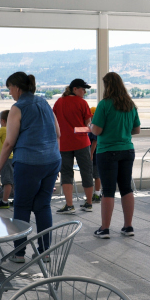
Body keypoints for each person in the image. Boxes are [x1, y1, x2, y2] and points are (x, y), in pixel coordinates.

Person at [0, 72, 60, 263]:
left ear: (17, 87)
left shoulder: (18, 107)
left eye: (10, 89)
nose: (10, 93)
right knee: (43, 205)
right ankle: (44, 251)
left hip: (29, 162)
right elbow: (58, 133)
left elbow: (8, 143)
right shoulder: (44, 103)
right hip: (52, 161)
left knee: (21, 206)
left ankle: (19, 253)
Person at [90, 72, 141, 239]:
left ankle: (105, 229)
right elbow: (136, 130)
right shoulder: (130, 105)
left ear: (107, 86)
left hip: (107, 152)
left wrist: (91, 126)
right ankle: (128, 226)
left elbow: (97, 130)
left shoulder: (104, 105)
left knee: (109, 190)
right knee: (126, 188)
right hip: (127, 150)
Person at [53, 79, 95, 214]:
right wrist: (77, 130)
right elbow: (88, 125)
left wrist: (67, 131)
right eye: (83, 89)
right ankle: (89, 203)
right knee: (86, 171)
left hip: (64, 143)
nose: (84, 92)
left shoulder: (59, 102)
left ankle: (69, 205)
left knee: (66, 173)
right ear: (75, 89)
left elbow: (54, 121)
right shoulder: (82, 103)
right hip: (81, 142)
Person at [89, 106, 102, 203]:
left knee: (96, 175)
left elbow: (94, 141)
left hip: (95, 154)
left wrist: (91, 153)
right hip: (97, 154)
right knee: (95, 174)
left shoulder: (95, 125)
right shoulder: (94, 125)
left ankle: (97, 193)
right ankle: (96, 193)